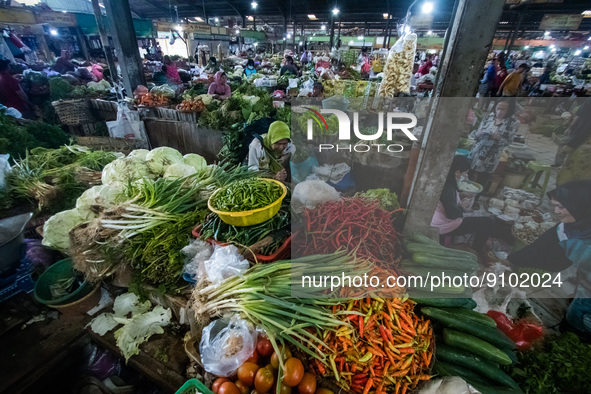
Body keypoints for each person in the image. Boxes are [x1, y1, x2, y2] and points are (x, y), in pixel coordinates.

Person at [508, 181, 591, 337]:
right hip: (584, 287)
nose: (556, 211)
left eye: (561, 207)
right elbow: (545, 242)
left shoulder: (582, 245)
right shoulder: (574, 224)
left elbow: (553, 262)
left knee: (579, 330)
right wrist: (513, 259)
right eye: (555, 205)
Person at [430, 155, 494, 253]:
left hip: (437, 218)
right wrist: (462, 207)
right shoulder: (448, 188)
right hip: (443, 225)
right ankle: (476, 250)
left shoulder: (444, 179)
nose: (466, 176)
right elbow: (452, 215)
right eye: (465, 173)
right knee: (488, 222)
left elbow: (446, 200)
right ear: (457, 172)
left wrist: (460, 195)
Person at [469, 100, 519, 190]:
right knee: (469, 173)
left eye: (503, 109)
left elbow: (509, 142)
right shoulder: (488, 117)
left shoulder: (512, 123)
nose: (499, 111)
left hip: (491, 156)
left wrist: (498, 138)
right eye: (498, 108)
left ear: (509, 110)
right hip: (477, 151)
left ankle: (476, 197)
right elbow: (475, 135)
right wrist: (479, 133)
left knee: (483, 178)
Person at [554, 99, 591, 167]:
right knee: (575, 150)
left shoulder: (588, 102)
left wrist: (569, 128)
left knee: (564, 144)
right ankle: (567, 165)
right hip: (586, 135)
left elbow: (577, 116)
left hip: (578, 130)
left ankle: (559, 163)